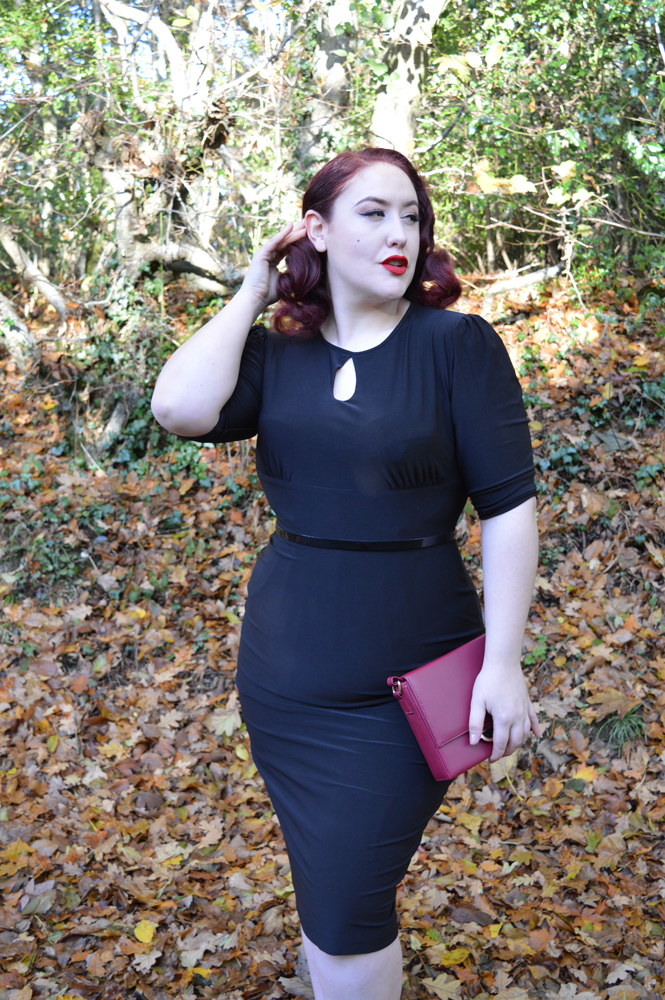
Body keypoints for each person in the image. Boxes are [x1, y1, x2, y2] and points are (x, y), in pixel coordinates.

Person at [151, 147, 542, 1000]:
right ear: (316, 230)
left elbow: (507, 509)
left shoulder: (456, 345)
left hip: (410, 681)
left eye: (411, 216)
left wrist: (504, 661)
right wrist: (252, 291)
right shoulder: (275, 355)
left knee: (345, 904)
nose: (400, 233)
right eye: (372, 213)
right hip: (285, 681)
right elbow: (178, 408)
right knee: (331, 890)